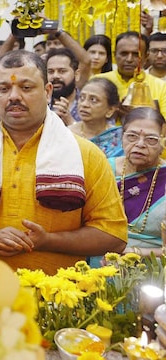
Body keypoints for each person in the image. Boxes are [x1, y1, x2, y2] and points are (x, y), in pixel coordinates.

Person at [0, 50, 127, 274]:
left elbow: (113, 236)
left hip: (60, 298)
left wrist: (48, 241)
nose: (14, 96)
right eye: (3, 89)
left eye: (26, 88)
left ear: (48, 91)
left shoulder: (85, 153)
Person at [110, 107, 166, 256]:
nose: (140, 144)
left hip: (153, 269)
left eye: (151, 140)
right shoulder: (102, 169)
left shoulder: (164, 176)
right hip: (101, 262)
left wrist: (132, 252)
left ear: (163, 144)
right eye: (132, 136)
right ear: (121, 137)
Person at [94, 32, 166, 120]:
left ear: (146, 56)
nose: (129, 59)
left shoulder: (161, 87)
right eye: (124, 54)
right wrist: (114, 112)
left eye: (136, 55)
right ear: (114, 55)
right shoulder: (97, 81)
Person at [68, 77, 123, 157]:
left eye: (93, 100)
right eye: (82, 98)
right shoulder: (67, 134)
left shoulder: (120, 138)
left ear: (110, 110)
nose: (84, 104)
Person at [46, 47, 82, 125]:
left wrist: (71, 122)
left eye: (62, 71)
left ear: (77, 74)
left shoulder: (89, 105)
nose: (55, 76)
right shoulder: (39, 104)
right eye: (50, 72)